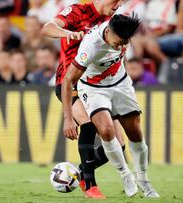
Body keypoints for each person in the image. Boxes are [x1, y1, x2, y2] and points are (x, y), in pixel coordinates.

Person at [62, 13, 159, 198]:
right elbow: (68, 80)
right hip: (93, 88)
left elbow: (121, 57)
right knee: (106, 130)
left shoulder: (120, 33)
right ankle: (125, 175)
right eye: (118, 42)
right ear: (107, 32)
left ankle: (144, 180)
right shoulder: (92, 46)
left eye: (125, 42)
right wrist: (68, 118)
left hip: (120, 83)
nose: (121, 46)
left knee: (135, 134)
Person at [41, 0, 124, 199]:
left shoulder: (111, 20)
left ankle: (79, 171)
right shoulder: (78, 12)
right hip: (70, 82)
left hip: (96, 85)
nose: (118, 5)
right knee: (88, 124)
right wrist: (68, 33)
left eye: (121, 1)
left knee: (119, 145)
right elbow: (47, 28)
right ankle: (89, 184)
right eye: (115, 0)